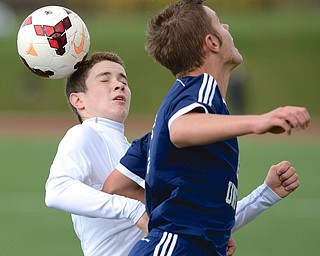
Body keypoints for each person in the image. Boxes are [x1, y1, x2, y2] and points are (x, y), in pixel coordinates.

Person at [109, 1, 310, 255]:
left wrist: (264, 195)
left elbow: (117, 186)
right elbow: (181, 129)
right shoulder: (200, 88)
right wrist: (258, 122)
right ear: (212, 42)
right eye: (219, 23)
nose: (226, 26)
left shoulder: (170, 121)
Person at [45, 51, 148, 256]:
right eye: (105, 79)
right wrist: (132, 209)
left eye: (123, 80)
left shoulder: (130, 150)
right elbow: (57, 190)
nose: (119, 85)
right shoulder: (85, 133)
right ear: (78, 100)